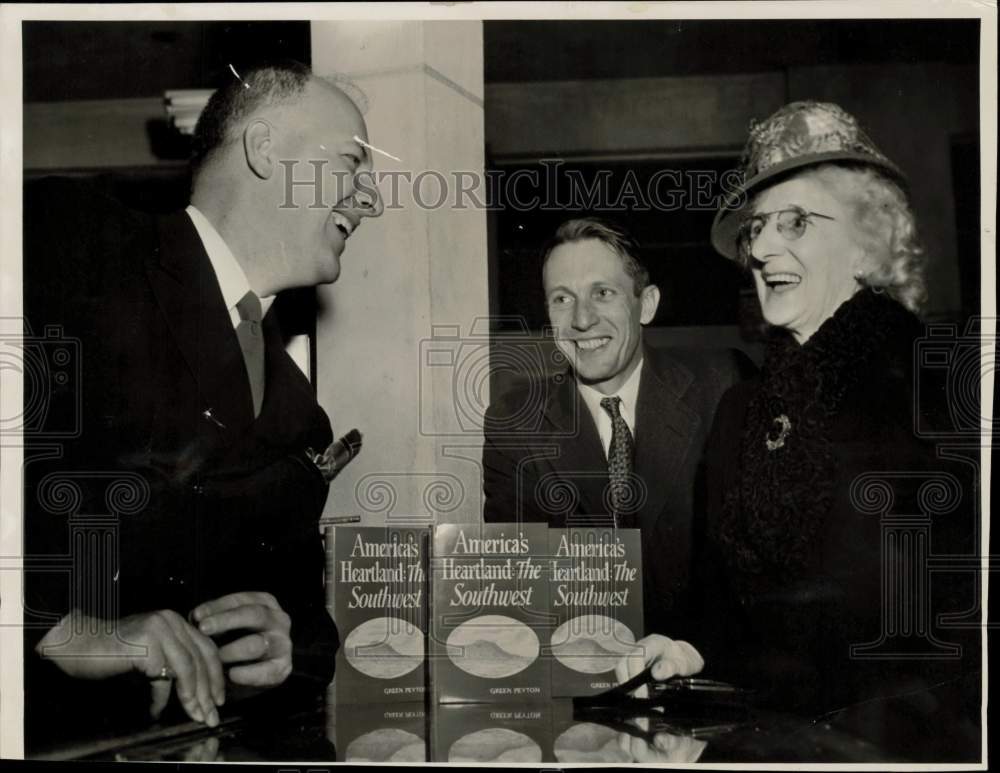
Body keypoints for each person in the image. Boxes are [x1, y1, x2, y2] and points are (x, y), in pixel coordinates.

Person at [23, 60, 383, 745]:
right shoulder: (72, 243)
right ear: (263, 148)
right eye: (351, 165)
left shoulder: (300, 411)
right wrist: (52, 627)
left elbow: (306, 623)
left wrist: (288, 649)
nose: (373, 201)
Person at [618, 102, 980, 741]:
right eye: (757, 226)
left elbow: (941, 638)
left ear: (866, 240)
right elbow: (721, 602)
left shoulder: (939, 391)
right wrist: (687, 650)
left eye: (796, 222)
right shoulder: (739, 413)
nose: (761, 247)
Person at [482, 218, 751, 633]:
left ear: (646, 304)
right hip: (579, 678)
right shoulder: (514, 422)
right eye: (562, 299)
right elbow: (520, 590)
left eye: (602, 293)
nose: (582, 320)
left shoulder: (723, 387)